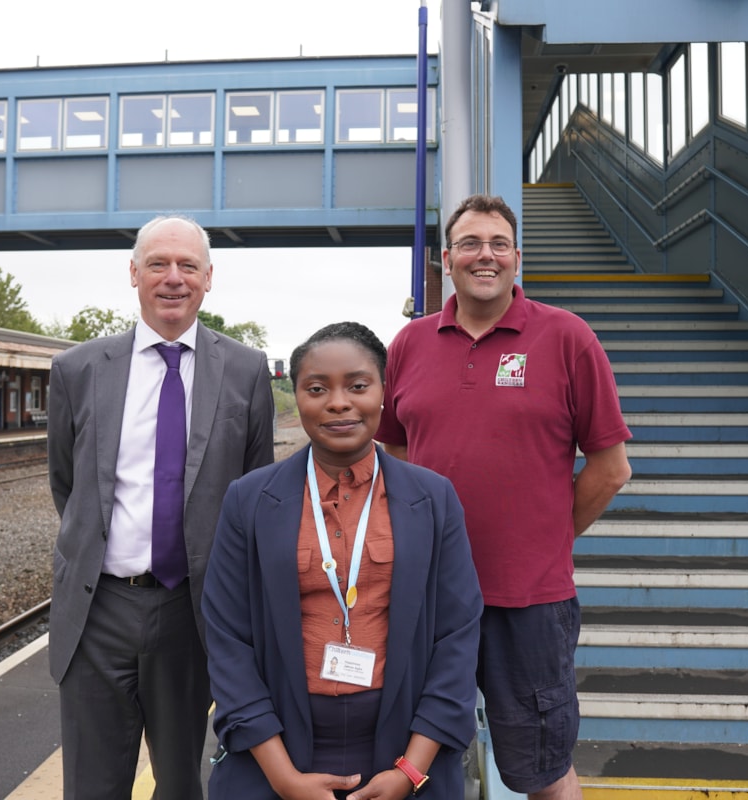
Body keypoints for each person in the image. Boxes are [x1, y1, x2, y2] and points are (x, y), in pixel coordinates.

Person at [375, 194, 633, 800]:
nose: (483, 255)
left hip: (530, 602)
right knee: (415, 761)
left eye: (497, 244)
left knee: (540, 769)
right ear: (448, 258)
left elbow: (611, 467)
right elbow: (397, 451)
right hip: (427, 594)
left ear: (517, 257)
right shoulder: (409, 344)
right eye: (469, 243)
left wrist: (549, 536)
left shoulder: (567, 338)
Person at [202, 322, 483, 800]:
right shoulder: (249, 500)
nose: (338, 402)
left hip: (403, 747)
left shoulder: (433, 498)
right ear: (296, 396)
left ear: (383, 392)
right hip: (278, 748)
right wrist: (284, 779)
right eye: (317, 389)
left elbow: (457, 637)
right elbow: (228, 639)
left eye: (357, 385)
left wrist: (410, 773)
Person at [47, 214, 276, 800]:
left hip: (191, 611)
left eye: (187, 266)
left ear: (208, 278)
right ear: (133, 273)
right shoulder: (76, 370)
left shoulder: (247, 371)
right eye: (157, 264)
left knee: (180, 783)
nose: (173, 278)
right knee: (93, 785)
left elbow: (253, 493)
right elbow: (67, 485)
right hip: (99, 610)